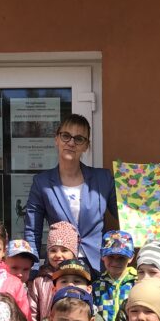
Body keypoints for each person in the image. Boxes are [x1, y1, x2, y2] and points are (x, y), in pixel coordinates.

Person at [24, 114, 117, 275]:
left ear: (86, 145)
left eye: (79, 139)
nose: (71, 143)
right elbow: (32, 231)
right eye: (66, 136)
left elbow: (127, 215)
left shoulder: (103, 179)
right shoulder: (42, 183)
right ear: (56, 139)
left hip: (97, 268)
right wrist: (31, 271)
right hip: (59, 269)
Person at [28, 221, 79, 321]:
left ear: (74, 254)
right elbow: (32, 313)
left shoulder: (79, 280)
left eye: (64, 250)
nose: (58, 255)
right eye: (53, 250)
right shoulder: (39, 281)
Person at [92, 230, 137, 321]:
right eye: (111, 256)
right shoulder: (96, 286)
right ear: (102, 256)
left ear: (131, 257)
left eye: (121, 258)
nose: (115, 262)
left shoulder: (138, 283)